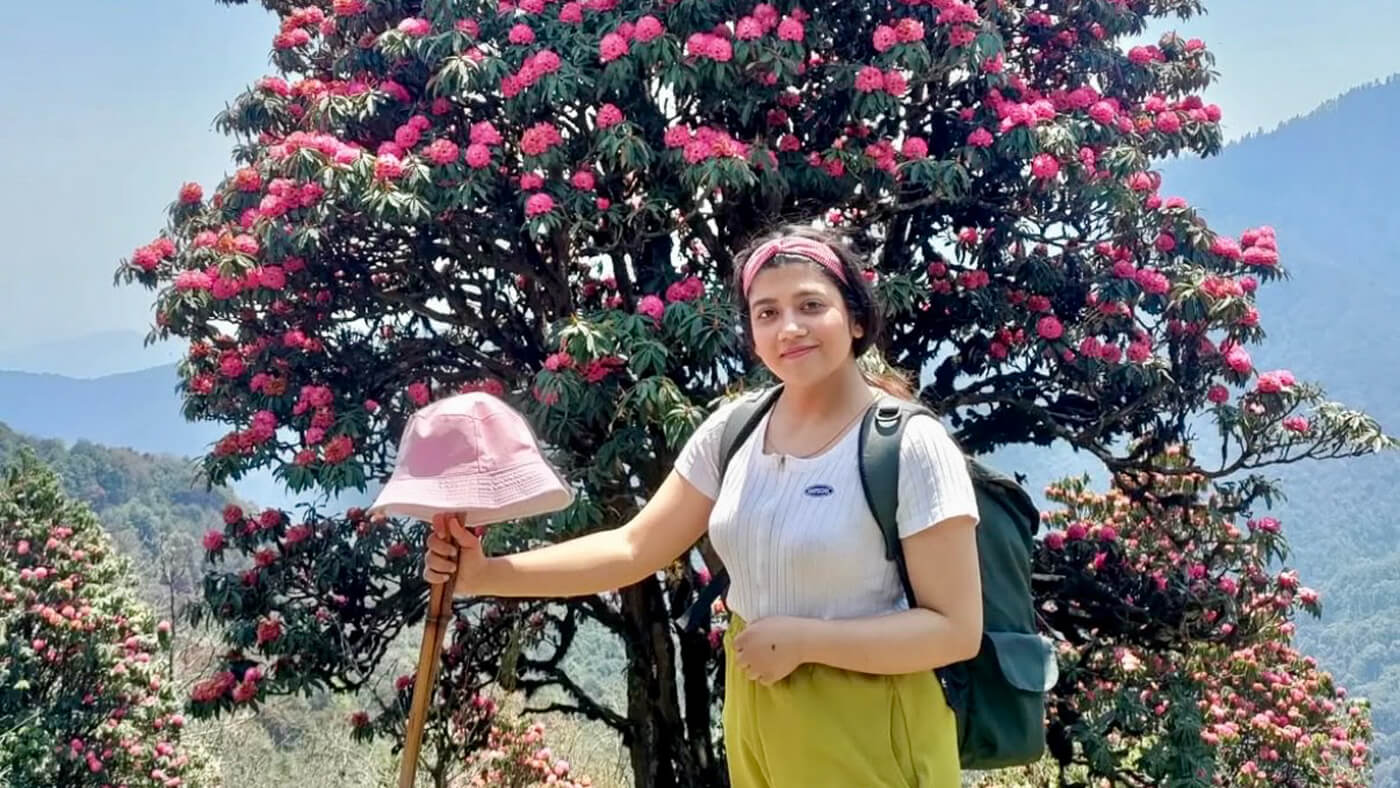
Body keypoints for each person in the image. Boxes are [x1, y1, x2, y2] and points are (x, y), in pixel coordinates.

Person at [424, 223, 982, 787]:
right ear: (752, 334)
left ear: (856, 319)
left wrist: (807, 641)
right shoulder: (735, 429)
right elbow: (632, 548)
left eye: (811, 305)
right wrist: (483, 573)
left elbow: (956, 630)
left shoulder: (909, 446)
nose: (789, 327)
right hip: (758, 712)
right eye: (766, 313)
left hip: (873, 720)